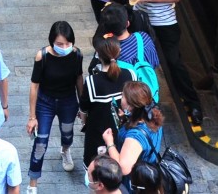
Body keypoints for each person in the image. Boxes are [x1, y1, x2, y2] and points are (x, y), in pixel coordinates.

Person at [131, 0, 203, 124]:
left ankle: (193, 102)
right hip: (141, 16)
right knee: (140, 61)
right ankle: (140, 103)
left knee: (173, 62)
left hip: (164, 20)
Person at [26, 21, 84, 189]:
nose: (64, 47)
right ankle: (33, 184)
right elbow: (34, 85)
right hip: (45, 102)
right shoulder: (42, 56)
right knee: (40, 142)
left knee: (67, 133)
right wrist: (32, 117)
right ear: (52, 41)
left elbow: (79, 79)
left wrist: (83, 106)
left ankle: (65, 150)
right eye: (59, 44)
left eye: (67, 43)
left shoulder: (77, 55)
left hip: (68, 101)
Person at [100, 82, 164, 193]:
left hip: (134, 182)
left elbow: (123, 168)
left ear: (131, 105)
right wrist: (127, 118)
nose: (121, 95)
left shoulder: (135, 137)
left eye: (124, 95)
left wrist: (109, 143)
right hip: (148, 170)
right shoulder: (153, 115)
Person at [81, 38, 135, 167]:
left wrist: (84, 121)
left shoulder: (92, 82)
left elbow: (84, 110)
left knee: (96, 169)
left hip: (97, 134)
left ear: (98, 55)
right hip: (125, 133)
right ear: (119, 52)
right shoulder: (131, 75)